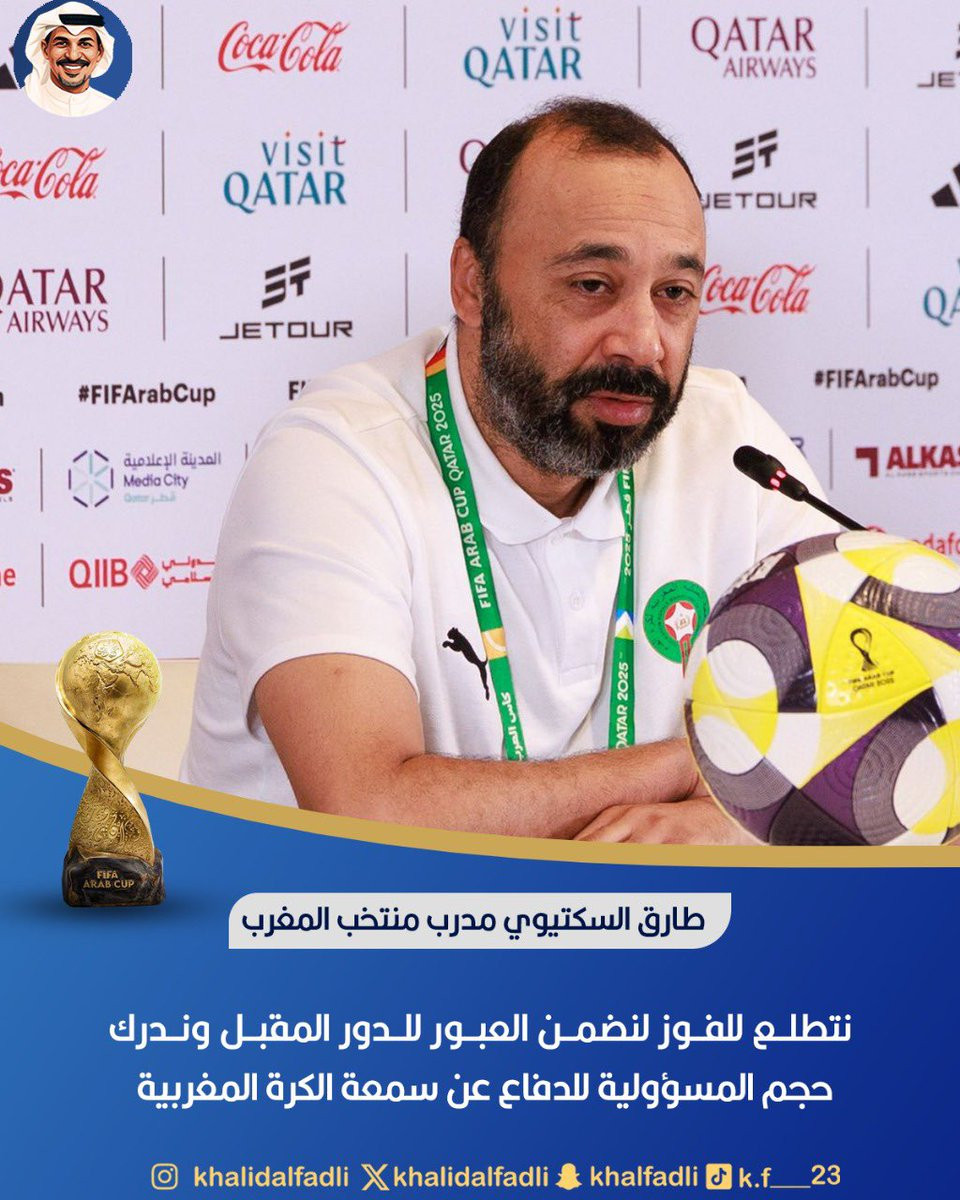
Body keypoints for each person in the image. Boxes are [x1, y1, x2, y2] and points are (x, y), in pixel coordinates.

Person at [182, 98, 835, 843]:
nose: (643, 343)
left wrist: (726, 825)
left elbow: (889, 723)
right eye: (592, 285)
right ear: (473, 284)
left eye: (674, 294)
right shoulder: (332, 459)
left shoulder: (730, 441)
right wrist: (707, 767)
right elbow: (368, 812)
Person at [22, 2, 115, 117]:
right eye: (62, 43)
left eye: (85, 44)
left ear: (99, 52)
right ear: (45, 50)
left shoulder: (110, 106)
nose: (73, 56)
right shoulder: (22, 102)